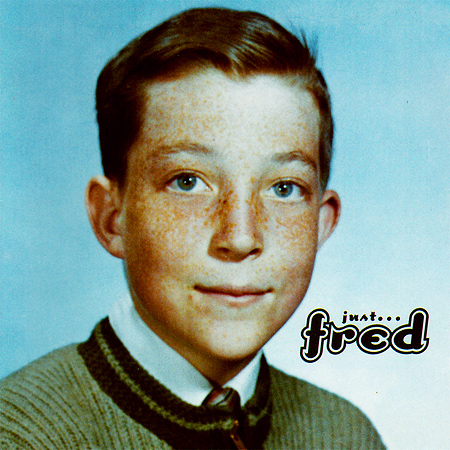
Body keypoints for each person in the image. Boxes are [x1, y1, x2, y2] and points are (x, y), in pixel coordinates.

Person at [0, 7, 386, 450]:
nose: (240, 238)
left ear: (321, 223)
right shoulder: (21, 436)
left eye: (284, 188)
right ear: (112, 218)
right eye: (188, 182)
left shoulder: (345, 435)